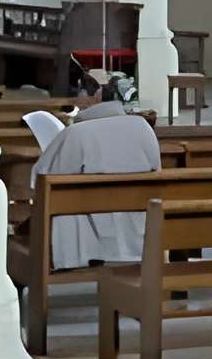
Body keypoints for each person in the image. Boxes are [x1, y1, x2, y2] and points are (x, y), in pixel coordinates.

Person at [32, 82, 161, 268]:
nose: (78, 101)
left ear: (97, 97)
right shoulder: (143, 128)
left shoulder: (76, 134)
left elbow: (41, 181)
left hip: (89, 240)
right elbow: (156, 171)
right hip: (138, 229)